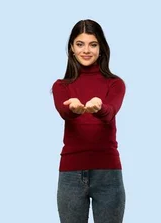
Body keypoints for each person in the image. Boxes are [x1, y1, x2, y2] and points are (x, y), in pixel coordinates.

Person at [51, 19, 126, 223]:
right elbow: (63, 110)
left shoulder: (115, 83)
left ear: (101, 48)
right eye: (80, 44)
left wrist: (99, 107)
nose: (86, 50)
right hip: (71, 173)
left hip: (108, 172)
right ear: (72, 49)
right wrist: (74, 109)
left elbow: (111, 111)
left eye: (93, 44)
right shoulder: (61, 86)